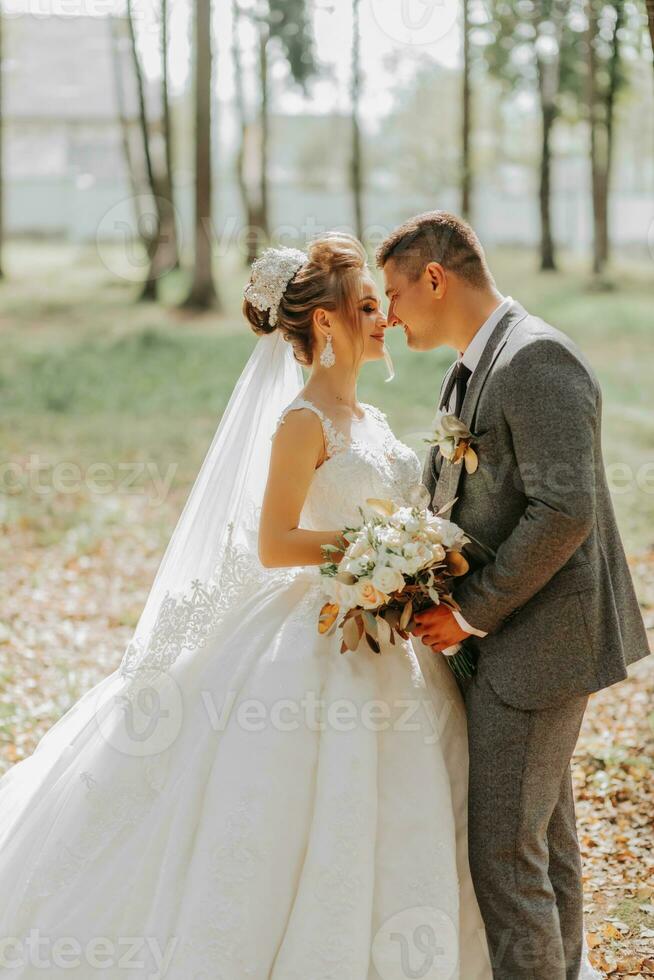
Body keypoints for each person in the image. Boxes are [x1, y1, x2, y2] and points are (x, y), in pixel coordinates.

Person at [0, 233, 492, 979]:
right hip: (320, 635)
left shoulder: (375, 422)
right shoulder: (303, 423)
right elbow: (275, 542)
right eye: (366, 305)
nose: (383, 319)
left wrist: (412, 555)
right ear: (324, 325)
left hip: (390, 637)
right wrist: (370, 550)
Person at [378, 210, 650, 980]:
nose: (390, 315)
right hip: (512, 639)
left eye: (395, 294)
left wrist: (468, 612)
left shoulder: (537, 361)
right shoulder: (475, 361)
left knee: (504, 854)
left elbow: (565, 512)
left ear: (435, 278)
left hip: (543, 644)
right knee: (544, 843)